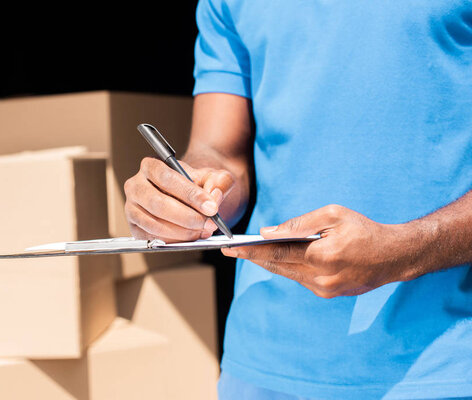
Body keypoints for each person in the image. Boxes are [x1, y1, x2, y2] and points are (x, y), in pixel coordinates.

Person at [124, 1, 472, 399]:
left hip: (443, 368)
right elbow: (219, 154)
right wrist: (187, 192)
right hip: (260, 366)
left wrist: (410, 249)